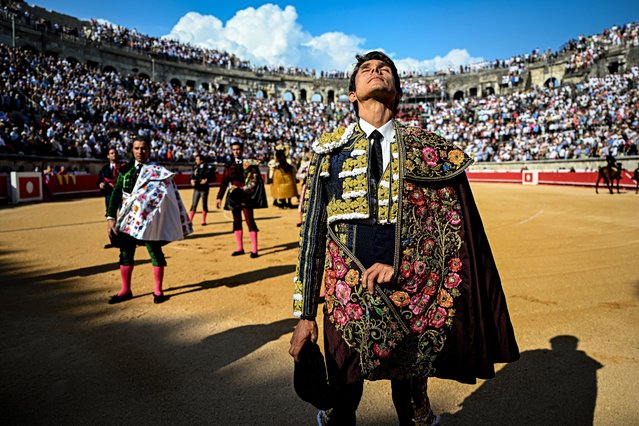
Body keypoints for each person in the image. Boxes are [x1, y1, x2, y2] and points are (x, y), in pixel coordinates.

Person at [289, 51, 519, 425]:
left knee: (410, 400)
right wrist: (304, 315)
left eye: (384, 70)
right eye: (366, 70)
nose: (376, 72)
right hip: (344, 291)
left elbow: (450, 229)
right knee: (343, 398)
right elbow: (312, 236)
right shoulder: (327, 152)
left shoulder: (429, 151)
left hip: (412, 289)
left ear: (397, 91)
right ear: (352, 94)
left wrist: (404, 263)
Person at [106, 136, 193, 304]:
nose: (140, 152)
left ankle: (158, 291)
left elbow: (167, 197)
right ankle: (125, 290)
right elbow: (116, 194)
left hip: (149, 221)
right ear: (132, 150)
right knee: (125, 253)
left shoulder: (157, 171)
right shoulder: (125, 171)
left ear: (149, 150)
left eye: (144, 148)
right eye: (137, 148)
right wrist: (110, 217)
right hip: (127, 219)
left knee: (155, 252)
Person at [216, 141, 267, 258]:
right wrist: (219, 197)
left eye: (238, 149)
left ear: (242, 150)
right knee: (236, 221)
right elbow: (224, 181)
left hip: (245, 194)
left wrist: (246, 188)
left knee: (250, 221)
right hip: (234, 195)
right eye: (233, 149)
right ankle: (240, 248)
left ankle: (254, 250)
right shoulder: (229, 164)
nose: (236, 151)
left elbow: (255, 179)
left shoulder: (248, 162)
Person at [188, 153, 214, 226]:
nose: (196, 160)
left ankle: (203, 220)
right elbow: (192, 176)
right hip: (197, 188)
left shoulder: (207, 167)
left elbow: (211, 176)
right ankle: (190, 220)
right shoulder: (195, 167)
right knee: (194, 204)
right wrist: (191, 180)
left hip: (204, 188)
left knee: (204, 204)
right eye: (195, 159)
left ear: (201, 160)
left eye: (197, 159)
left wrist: (207, 179)